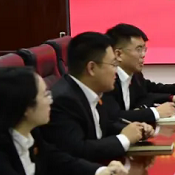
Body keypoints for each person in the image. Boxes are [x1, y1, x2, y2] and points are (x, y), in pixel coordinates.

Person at [42, 32, 153, 161]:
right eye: (113, 65)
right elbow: (79, 150)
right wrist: (124, 138)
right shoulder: (64, 101)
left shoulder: (92, 91)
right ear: (92, 68)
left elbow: (105, 125)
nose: (116, 71)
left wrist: (135, 130)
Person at [103, 24, 175, 124]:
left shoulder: (135, 75)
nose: (143, 55)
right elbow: (113, 116)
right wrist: (155, 112)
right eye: (138, 49)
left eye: (144, 49)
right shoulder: (106, 81)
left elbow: (148, 92)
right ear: (118, 54)